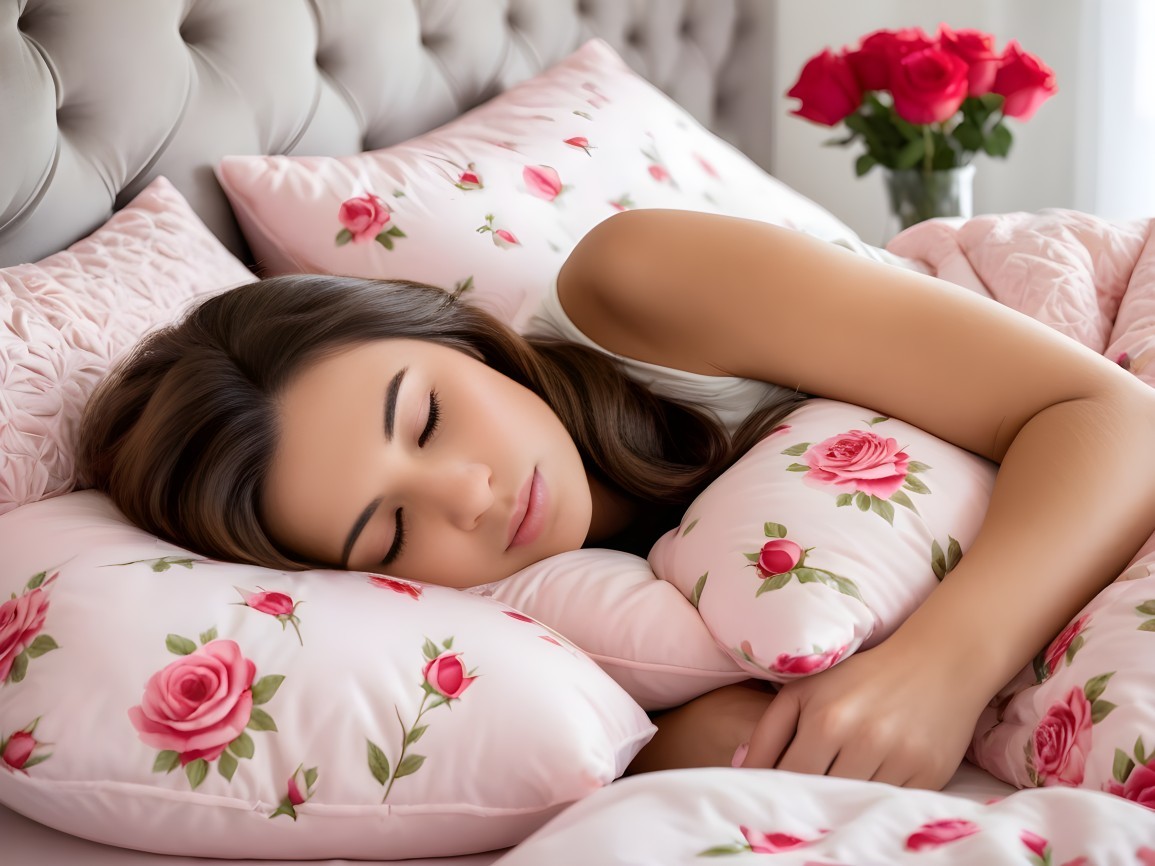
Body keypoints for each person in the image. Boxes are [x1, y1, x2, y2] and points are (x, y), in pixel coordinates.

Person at [79, 208, 1155, 791]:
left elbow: (1107, 412)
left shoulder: (635, 280)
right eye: (389, 529)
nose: (469, 498)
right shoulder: (559, 646)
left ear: (459, 338)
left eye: (430, 417)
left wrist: (940, 668)